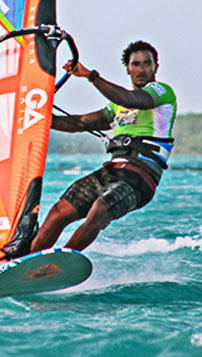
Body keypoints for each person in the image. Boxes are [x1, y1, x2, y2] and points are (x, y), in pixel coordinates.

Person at [27, 40, 177, 254]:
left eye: (147, 64)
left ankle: (59, 264)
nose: (141, 69)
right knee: (60, 211)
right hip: (112, 171)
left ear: (156, 67)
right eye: (136, 64)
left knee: (100, 209)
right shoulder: (117, 106)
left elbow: (130, 98)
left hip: (140, 179)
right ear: (128, 68)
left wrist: (91, 77)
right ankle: (24, 262)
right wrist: (39, 116)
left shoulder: (161, 92)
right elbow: (81, 123)